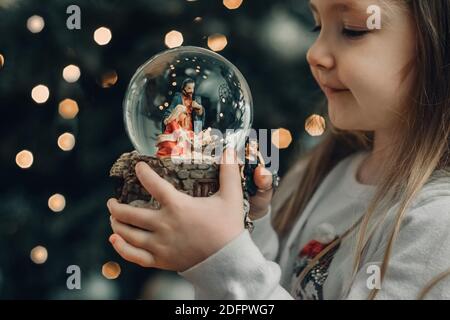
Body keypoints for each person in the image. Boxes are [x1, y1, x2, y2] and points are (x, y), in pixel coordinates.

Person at [106, 0, 450, 299]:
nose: (314, 52)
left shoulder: (439, 226)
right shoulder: (321, 174)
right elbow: (277, 283)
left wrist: (222, 259)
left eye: (352, 29)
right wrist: (247, 227)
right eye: (317, 25)